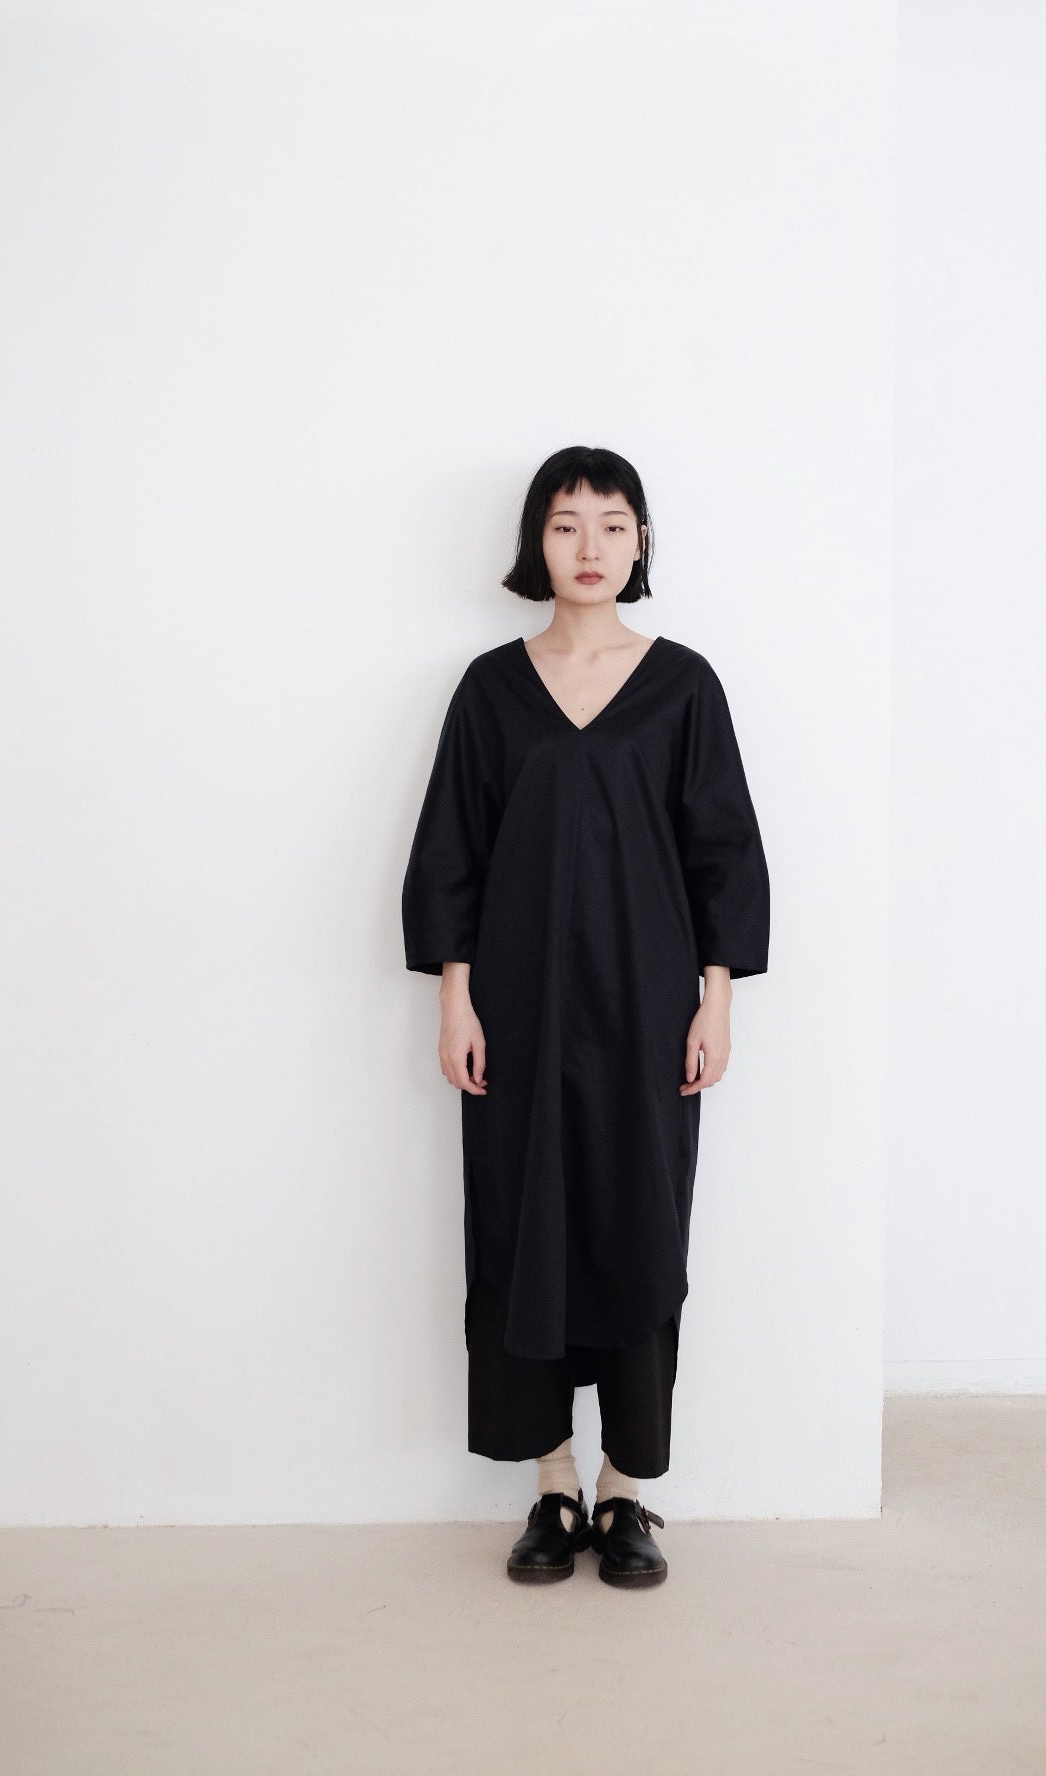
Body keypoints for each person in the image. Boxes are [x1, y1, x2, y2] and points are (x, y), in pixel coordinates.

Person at [401, 446, 770, 1588]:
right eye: (566, 525)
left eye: (613, 524)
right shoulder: (490, 690)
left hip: (646, 1013)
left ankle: (624, 1490)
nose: (591, 547)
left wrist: (714, 1000)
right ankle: (553, 1484)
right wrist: (456, 997)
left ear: (640, 542)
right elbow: (452, 851)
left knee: (638, 1229)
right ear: (536, 544)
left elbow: (722, 852)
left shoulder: (682, 686)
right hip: (514, 1016)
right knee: (522, 1229)